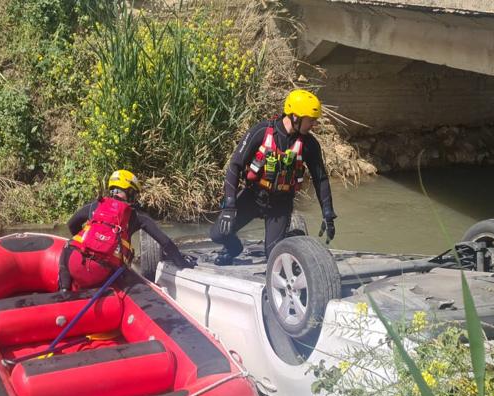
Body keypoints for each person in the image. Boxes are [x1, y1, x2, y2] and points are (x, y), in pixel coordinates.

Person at [210, 89, 337, 265]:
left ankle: (294, 236)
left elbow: (320, 178)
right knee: (217, 234)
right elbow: (235, 165)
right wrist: (229, 206)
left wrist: (328, 214)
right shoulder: (261, 131)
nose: (314, 124)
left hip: (280, 204)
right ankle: (233, 249)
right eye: (311, 120)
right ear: (295, 116)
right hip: (253, 197)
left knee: (274, 257)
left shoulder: (309, 144)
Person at [61, 169, 195, 290]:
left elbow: (71, 224)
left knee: (68, 246)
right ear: (129, 191)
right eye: (133, 193)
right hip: (102, 274)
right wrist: (182, 263)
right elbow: (165, 242)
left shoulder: (94, 205)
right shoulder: (137, 215)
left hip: (74, 263)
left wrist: (89, 244)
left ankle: (63, 289)